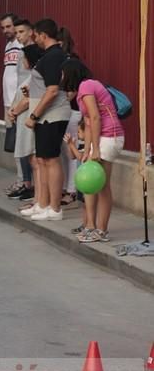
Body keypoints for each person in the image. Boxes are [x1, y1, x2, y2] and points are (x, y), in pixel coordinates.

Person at [61, 59, 124, 242]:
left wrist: (95, 149)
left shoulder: (86, 86)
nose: (62, 78)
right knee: (93, 185)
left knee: (102, 186)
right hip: (101, 138)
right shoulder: (84, 89)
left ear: (71, 73)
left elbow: (96, 118)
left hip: (109, 136)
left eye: (64, 74)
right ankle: (90, 226)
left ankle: (100, 231)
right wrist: (87, 149)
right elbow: (88, 123)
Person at [23, 18, 71, 221]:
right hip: (44, 117)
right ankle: (42, 204)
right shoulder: (48, 56)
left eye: (35, 35)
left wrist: (34, 115)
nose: (35, 40)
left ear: (43, 35)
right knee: (42, 160)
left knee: (51, 160)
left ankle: (55, 207)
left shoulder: (53, 56)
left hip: (51, 116)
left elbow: (52, 90)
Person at [7, 19, 39, 202]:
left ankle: (31, 185)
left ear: (31, 32)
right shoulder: (20, 52)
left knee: (30, 150)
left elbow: (31, 87)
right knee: (22, 148)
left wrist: (16, 108)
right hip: (19, 102)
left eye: (21, 32)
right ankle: (25, 182)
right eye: (16, 32)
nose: (18, 35)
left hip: (27, 107)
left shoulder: (32, 53)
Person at [0, 13, 26, 196]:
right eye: (3, 28)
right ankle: (21, 179)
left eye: (8, 27)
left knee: (21, 144)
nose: (6, 31)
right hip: (7, 101)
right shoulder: (8, 46)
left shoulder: (21, 45)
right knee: (14, 143)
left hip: (17, 102)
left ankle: (23, 181)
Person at [57, 27, 81, 209]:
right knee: (65, 153)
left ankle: (71, 190)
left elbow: (72, 91)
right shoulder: (63, 61)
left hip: (72, 112)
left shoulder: (71, 62)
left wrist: (56, 102)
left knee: (70, 152)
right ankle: (66, 187)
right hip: (65, 111)